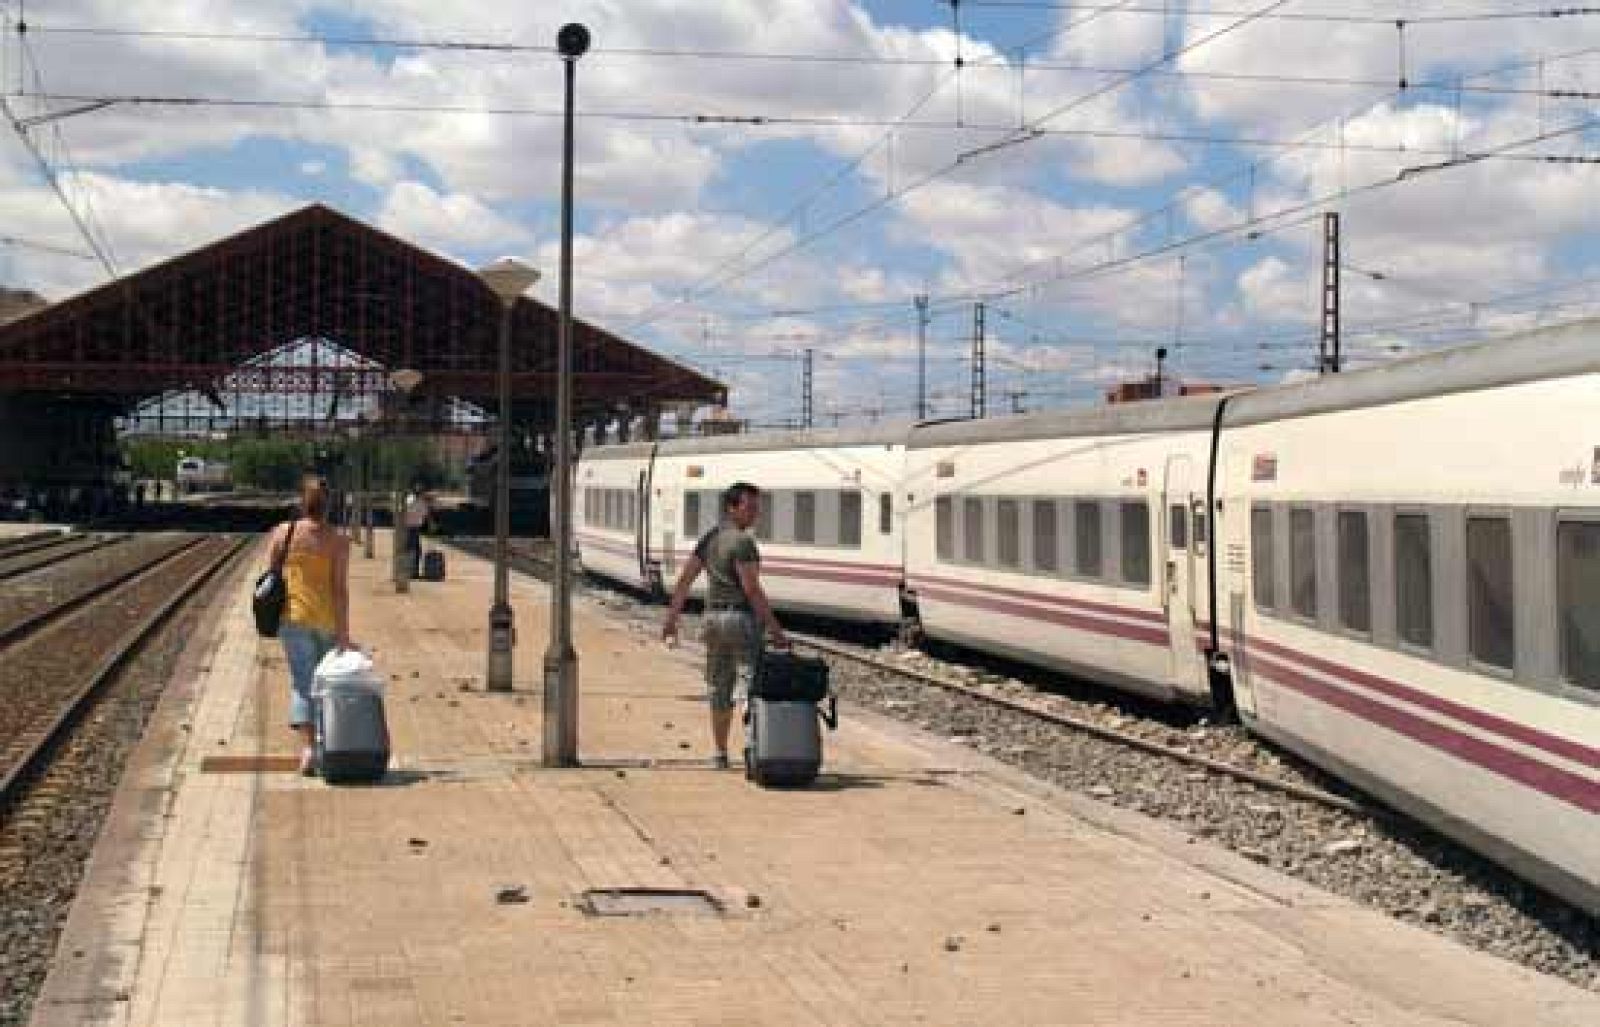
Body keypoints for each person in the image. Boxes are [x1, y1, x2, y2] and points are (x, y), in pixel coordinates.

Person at [662, 482, 788, 769]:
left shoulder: (709, 539)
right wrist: (775, 630)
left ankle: (719, 753)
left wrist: (671, 619)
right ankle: (755, 749)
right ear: (731, 508)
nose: (755, 514)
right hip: (740, 619)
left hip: (712, 620)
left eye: (757, 508)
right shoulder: (743, 543)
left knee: (718, 687)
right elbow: (751, 589)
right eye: (749, 508)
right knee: (750, 682)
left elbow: (685, 581)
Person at [267, 476, 353, 776]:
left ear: (302, 502)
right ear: (330, 505)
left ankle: (307, 750)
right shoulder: (339, 541)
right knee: (325, 683)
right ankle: (326, 743)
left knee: (303, 682)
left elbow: (271, 577)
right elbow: (339, 590)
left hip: (293, 618)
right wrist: (344, 633)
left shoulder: (283, 533)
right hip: (326, 619)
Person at [402, 486, 431, 579]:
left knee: (408, 549)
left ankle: (407, 570)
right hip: (414, 528)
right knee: (415, 550)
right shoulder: (421, 502)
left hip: (406, 527)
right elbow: (426, 515)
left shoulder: (408, 500)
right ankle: (413, 572)